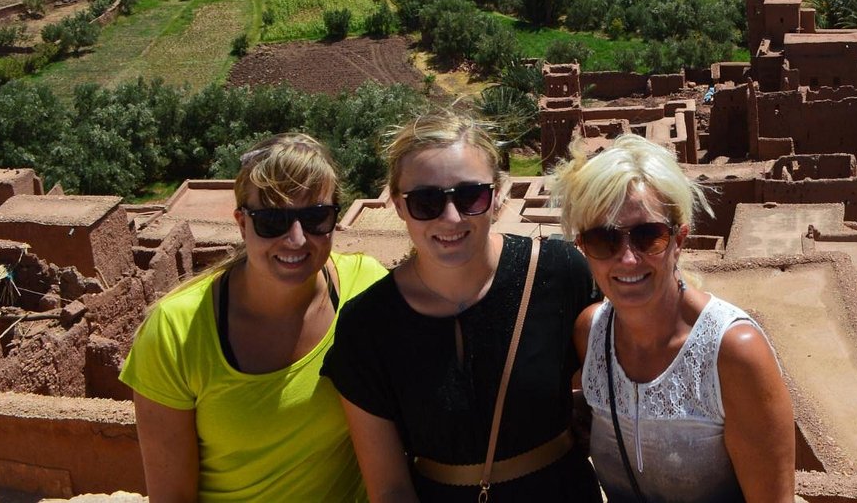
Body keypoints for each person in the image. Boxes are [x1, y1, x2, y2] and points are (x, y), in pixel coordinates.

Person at [323, 111, 601, 503]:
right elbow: (389, 488)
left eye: (471, 196)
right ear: (398, 206)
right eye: (425, 201)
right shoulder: (367, 326)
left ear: (498, 196)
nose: (451, 217)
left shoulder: (560, 274)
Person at [120, 133, 386, 503]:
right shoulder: (176, 332)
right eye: (272, 220)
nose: (296, 239)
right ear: (241, 223)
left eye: (315, 217)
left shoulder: (366, 289)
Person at [549, 133, 795, 503]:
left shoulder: (732, 353)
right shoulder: (592, 334)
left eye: (648, 236)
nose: (628, 259)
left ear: (679, 239)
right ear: (583, 248)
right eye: (604, 240)